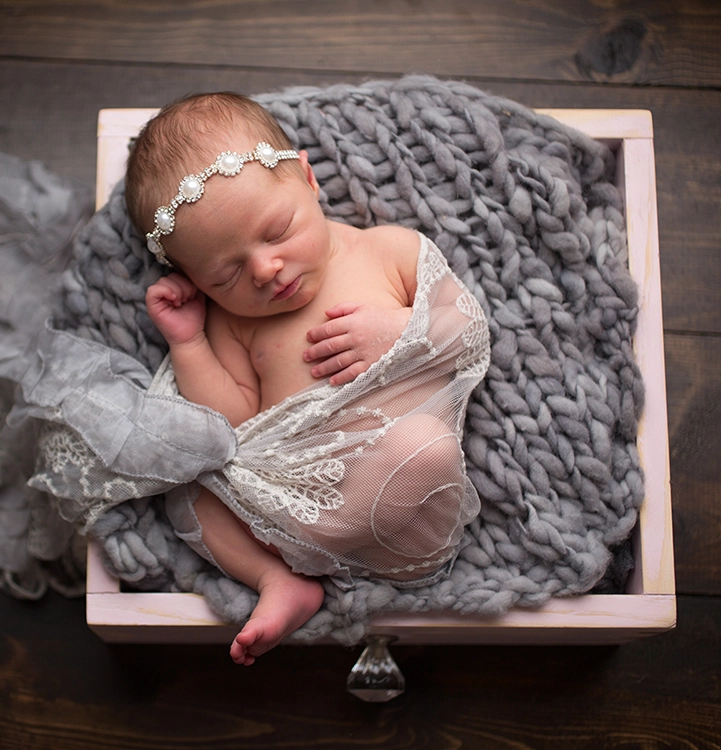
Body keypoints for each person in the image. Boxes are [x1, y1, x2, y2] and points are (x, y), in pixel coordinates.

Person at [124, 92, 488, 666]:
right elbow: (235, 424)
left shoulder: (386, 250)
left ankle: (338, 552)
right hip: (289, 502)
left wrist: (399, 331)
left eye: (277, 231)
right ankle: (281, 581)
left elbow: (467, 329)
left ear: (309, 180)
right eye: (227, 273)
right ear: (195, 278)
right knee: (189, 493)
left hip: (401, 501)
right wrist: (189, 342)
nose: (266, 270)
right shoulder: (231, 324)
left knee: (422, 449)